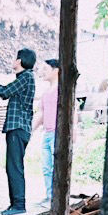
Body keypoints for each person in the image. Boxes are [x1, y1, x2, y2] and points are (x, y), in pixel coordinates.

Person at [0, 48, 37, 214]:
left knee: (14, 167)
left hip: (18, 128)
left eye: (15, 58)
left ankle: (19, 205)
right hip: (18, 129)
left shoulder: (26, 76)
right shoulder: (24, 78)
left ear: (19, 61)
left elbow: (4, 92)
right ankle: (15, 204)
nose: (13, 61)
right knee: (12, 166)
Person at [36, 58, 60, 205]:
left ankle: (56, 197)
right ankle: (49, 195)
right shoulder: (46, 93)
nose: (42, 72)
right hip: (47, 134)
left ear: (56, 70)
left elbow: (73, 111)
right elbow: (42, 114)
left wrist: (74, 130)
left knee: (56, 167)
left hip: (57, 134)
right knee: (46, 167)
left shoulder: (62, 90)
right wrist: (30, 130)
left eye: (46, 69)